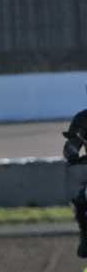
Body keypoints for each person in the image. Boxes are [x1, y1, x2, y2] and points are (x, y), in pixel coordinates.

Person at [62, 109, 87, 257]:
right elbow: (72, 143)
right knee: (80, 199)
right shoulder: (82, 118)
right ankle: (85, 233)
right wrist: (72, 152)